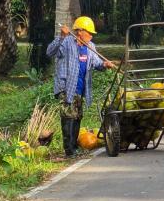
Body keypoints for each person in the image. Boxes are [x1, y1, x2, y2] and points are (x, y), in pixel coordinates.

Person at [46, 16, 115, 157]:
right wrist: (61, 37)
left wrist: (104, 64)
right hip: (66, 87)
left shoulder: (91, 47)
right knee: (68, 116)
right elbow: (50, 52)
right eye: (88, 33)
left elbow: (96, 63)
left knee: (77, 116)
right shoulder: (66, 42)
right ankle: (69, 150)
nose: (91, 35)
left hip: (81, 89)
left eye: (91, 34)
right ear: (80, 32)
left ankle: (74, 147)